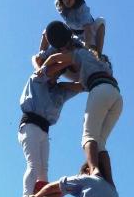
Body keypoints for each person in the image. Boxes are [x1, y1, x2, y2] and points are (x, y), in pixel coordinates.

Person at [37, 21, 122, 185]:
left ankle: (95, 172)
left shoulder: (78, 53)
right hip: (116, 95)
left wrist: (43, 69)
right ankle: (110, 183)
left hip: (100, 90)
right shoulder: (95, 59)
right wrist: (61, 85)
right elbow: (80, 86)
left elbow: (55, 57)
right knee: (100, 142)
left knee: (88, 137)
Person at [19, 69, 82, 197]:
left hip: (44, 130)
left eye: (59, 73)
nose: (55, 75)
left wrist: (63, 84)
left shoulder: (59, 92)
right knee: (34, 164)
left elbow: (81, 86)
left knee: (43, 170)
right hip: (30, 125)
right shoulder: (37, 80)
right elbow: (40, 65)